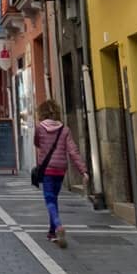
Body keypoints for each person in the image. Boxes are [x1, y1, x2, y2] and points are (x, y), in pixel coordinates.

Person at [34, 99, 88, 248]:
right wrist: (83, 170)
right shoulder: (64, 130)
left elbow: (37, 143)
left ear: (41, 113)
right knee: (54, 198)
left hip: (47, 169)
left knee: (49, 200)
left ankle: (58, 226)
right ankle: (52, 232)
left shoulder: (39, 128)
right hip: (61, 169)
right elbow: (73, 151)